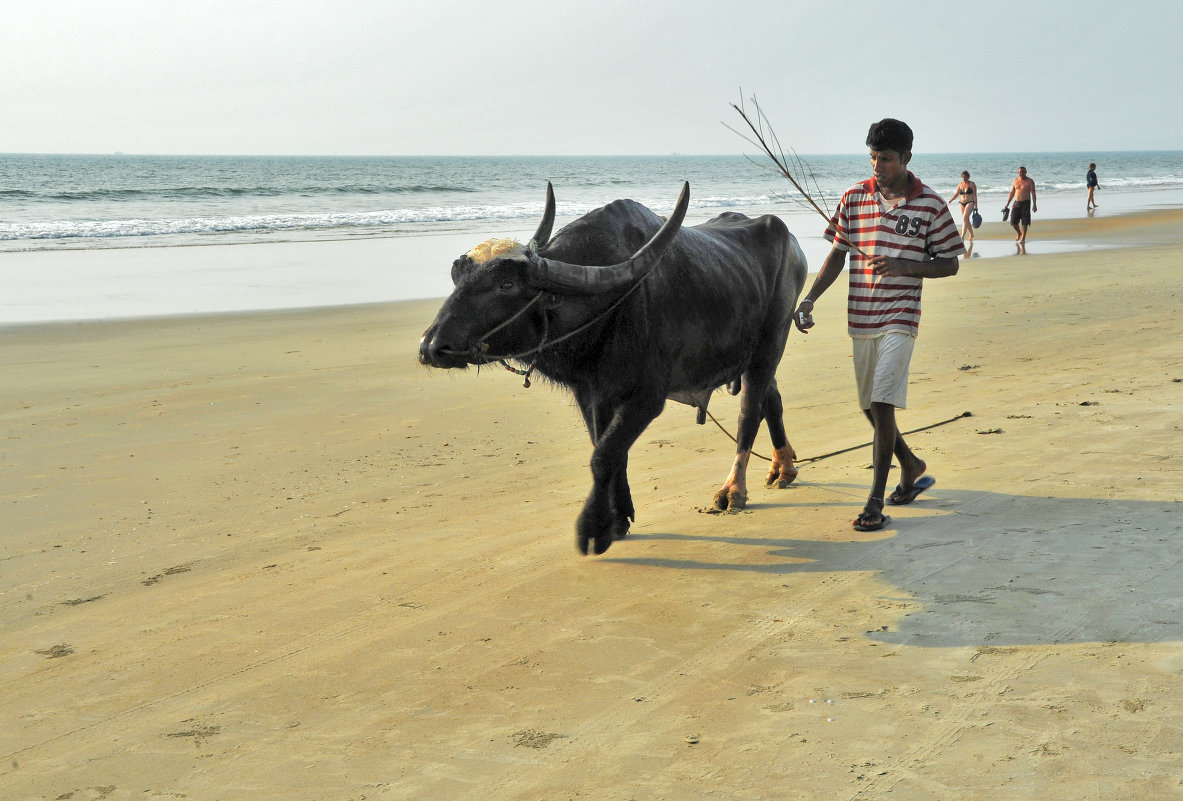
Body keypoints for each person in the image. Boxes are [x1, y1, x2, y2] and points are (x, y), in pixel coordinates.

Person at [793, 118, 964, 532]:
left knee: (883, 402)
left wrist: (906, 265)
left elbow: (950, 263)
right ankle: (910, 464)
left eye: (885, 158)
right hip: (861, 316)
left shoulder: (931, 205)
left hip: (900, 317)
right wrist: (810, 298)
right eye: (872, 157)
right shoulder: (854, 198)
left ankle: (874, 502)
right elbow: (837, 254)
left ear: (906, 157)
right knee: (870, 407)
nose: (877, 165)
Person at [1003, 166, 1037, 247]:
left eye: (1023, 172)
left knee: (1025, 222)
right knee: (1013, 221)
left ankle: (1023, 238)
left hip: (1026, 203)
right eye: (1020, 172)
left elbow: (1033, 193)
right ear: (1018, 172)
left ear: (1026, 172)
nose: (1021, 173)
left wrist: (1034, 205)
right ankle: (1019, 233)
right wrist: (1007, 203)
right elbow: (1012, 192)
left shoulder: (1030, 181)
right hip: (1016, 203)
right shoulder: (1015, 180)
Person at [948, 170, 978, 243]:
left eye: (965, 178)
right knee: (966, 220)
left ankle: (962, 237)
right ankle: (971, 234)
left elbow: (974, 195)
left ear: (968, 177)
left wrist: (976, 206)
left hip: (970, 202)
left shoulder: (972, 184)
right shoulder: (960, 184)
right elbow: (957, 194)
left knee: (965, 218)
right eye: (962, 178)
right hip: (961, 203)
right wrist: (951, 200)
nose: (964, 179)